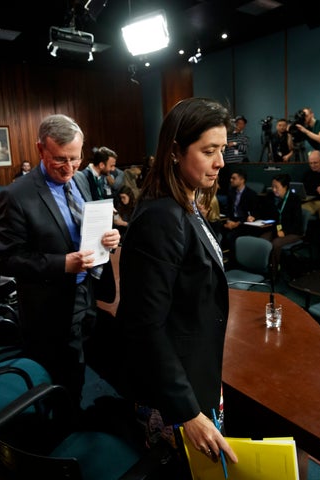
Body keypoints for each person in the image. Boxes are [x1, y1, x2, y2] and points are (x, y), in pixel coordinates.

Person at [117, 97, 238, 467]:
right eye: (209, 151)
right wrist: (187, 412)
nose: (220, 162)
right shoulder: (162, 217)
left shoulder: (187, 200)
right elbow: (144, 325)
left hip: (195, 368)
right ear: (174, 150)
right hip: (174, 391)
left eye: (222, 150)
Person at [0, 114, 120, 408]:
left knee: (84, 361)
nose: (69, 168)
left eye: (75, 159)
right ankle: (64, 429)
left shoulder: (82, 181)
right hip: (49, 306)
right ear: (40, 150)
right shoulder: (16, 195)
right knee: (61, 377)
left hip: (87, 292)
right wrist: (61, 263)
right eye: (60, 159)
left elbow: (83, 229)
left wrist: (108, 238)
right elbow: (4, 259)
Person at [251, 173, 303, 276]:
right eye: (273, 187)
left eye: (277, 187)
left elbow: (297, 223)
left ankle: (274, 272)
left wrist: (285, 231)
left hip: (293, 231)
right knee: (262, 240)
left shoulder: (294, 199)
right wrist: (254, 217)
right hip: (276, 229)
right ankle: (262, 268)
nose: (274, 190)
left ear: (285, 187)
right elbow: (262, 211)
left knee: (276, 243)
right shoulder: (271, 197)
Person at [221, 169, 259, 255]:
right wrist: (228, 221)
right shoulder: (231, 192)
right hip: (231, 220)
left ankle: (234, 260)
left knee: (231, 237)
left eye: (234, 178)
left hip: (243, 223)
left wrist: (237, 223)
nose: (231, 180)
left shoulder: (251, 194)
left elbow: (253, 214)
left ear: (242, 180)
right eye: (231, 178)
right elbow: (228, 209)